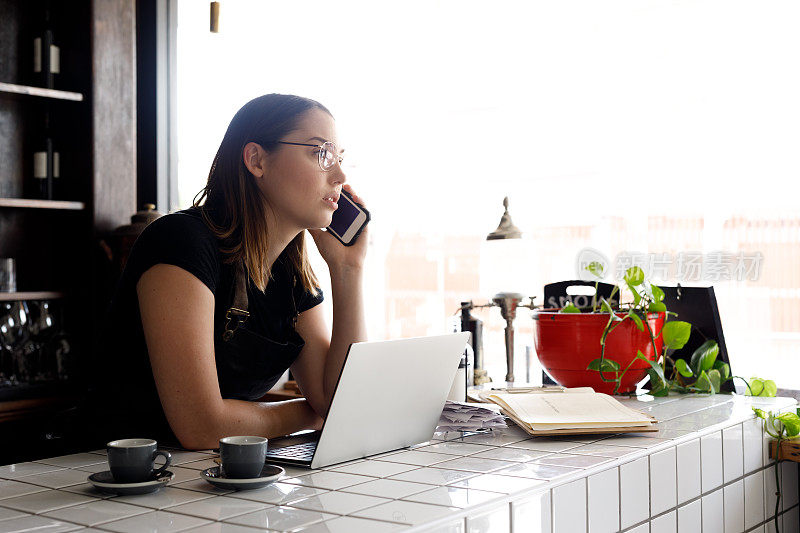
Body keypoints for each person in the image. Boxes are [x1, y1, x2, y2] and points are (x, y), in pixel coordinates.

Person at [91, 94, 367, 450]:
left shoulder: (291, 272)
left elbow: (341, 401)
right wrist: (309, 413)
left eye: (340, 158)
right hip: (108, 477)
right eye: (321, 153)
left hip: (206, 479)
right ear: (257, 160)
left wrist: (348, 270)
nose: (340, 176)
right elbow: (202, 426)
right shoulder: (180, 242)